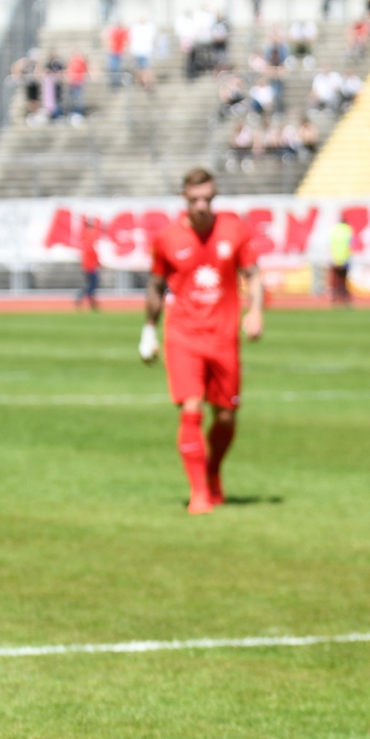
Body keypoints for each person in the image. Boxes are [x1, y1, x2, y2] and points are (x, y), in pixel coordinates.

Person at [139, 169, 263, 515]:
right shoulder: (166, 238)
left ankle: (212, 470)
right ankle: (199, 493)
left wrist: (255, 311)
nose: (201, 206)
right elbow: (156, 285)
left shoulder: (234, 230)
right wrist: (148, 330)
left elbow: (253, 274)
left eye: (207, 199)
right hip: (184, 336)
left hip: (224, 338)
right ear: (184, 197)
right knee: (191, 409)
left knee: (226, 417)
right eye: (195, 200)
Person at [76, 228, 102, 311]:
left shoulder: (85, 246)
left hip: (87, 268)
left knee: (90, 285)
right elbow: (95, 258)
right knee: (91, 286)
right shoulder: (91, 246)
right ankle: (81, 297)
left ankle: (91, 303)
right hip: (91, 269)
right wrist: (99, 264)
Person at [327, 220, 352, 305]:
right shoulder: (348, 229)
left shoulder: (334, 229)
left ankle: (334, 298)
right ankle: (343, 298)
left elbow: (330, 243)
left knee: (335, 280)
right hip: (345, 258)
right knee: (343, 280)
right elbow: (351, 243)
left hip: (334, 258)